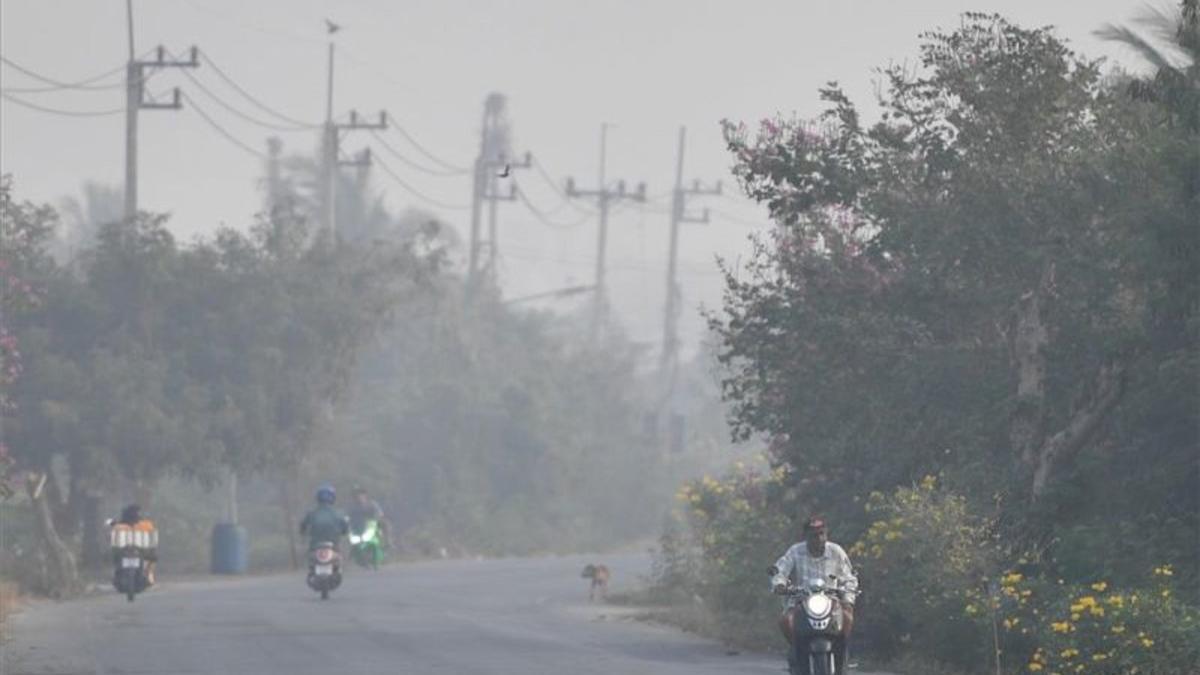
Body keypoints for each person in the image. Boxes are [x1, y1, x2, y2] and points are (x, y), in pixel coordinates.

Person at [770, 516, 858, 673]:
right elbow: (780, 570)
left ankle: (842, 655)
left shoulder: (836, 551)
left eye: (821, 534)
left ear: (826, 534)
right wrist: (779, 584)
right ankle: (796, 650)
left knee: (848, 617)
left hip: (832, 599)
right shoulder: (795, 551)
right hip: (800, 600)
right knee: (785, 621)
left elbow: (849, 577)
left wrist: (848, 598)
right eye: (813, 535)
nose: (818, 539)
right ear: (805, 536)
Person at [112, 504, 158, 585]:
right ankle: (149, 577)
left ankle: (149, 576)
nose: (137, 515)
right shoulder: (120, 526)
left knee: (151, 559)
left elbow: (152, 536)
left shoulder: (119, 526)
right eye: (136, 513)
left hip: (137, 550)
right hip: (127, 551)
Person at [299, 483, 349, 551]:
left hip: (315, 544)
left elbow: (303, 527)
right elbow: (345, 529)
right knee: (339, 557)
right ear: (333, 498)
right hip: (333, 544)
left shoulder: (312, 513)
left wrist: (303, 533)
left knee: (308, 558)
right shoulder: (338, 513)